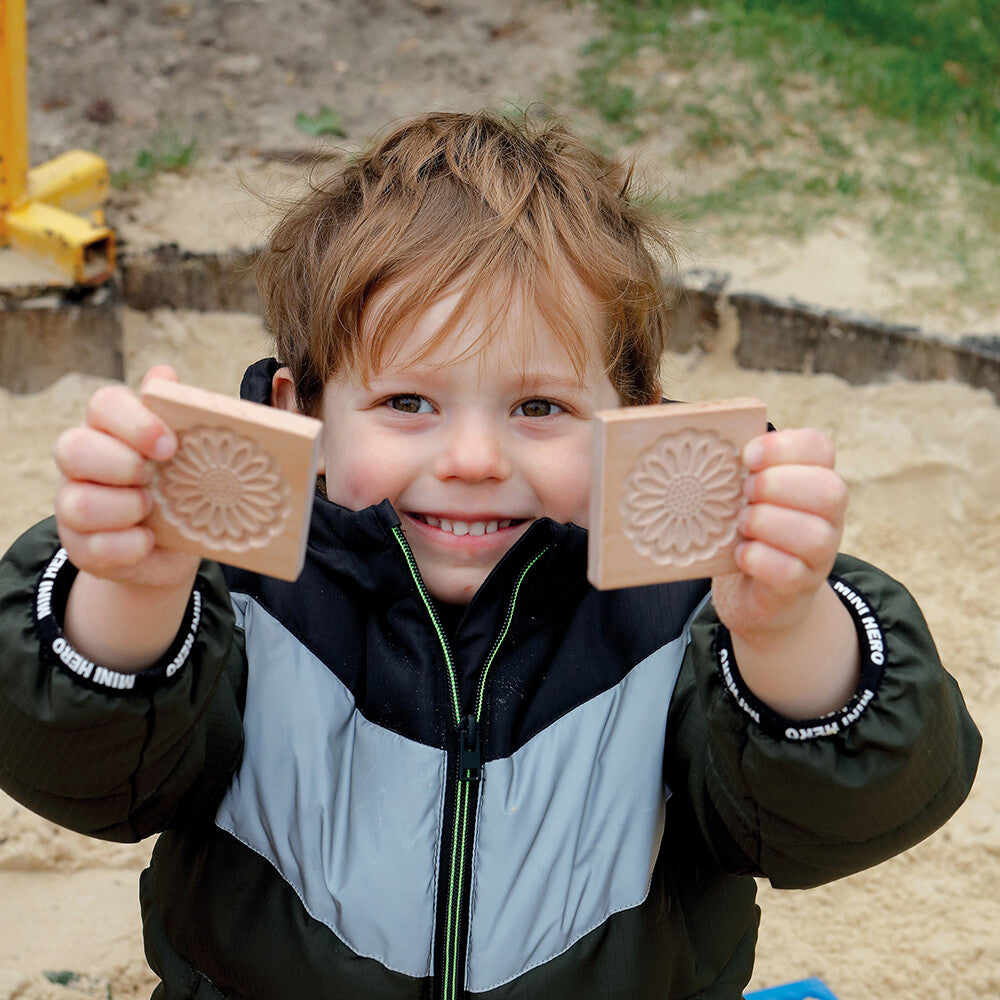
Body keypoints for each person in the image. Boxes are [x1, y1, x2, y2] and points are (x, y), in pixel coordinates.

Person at [0, 110, 980, 1000]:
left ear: (631, 425)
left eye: (539, 407)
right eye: (408, 403)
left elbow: (830, 819)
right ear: (304, 415)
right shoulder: (229, 577)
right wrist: (130, 594)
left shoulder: (688, 601)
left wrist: (785, 633)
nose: (471, 460)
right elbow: (96, 780)